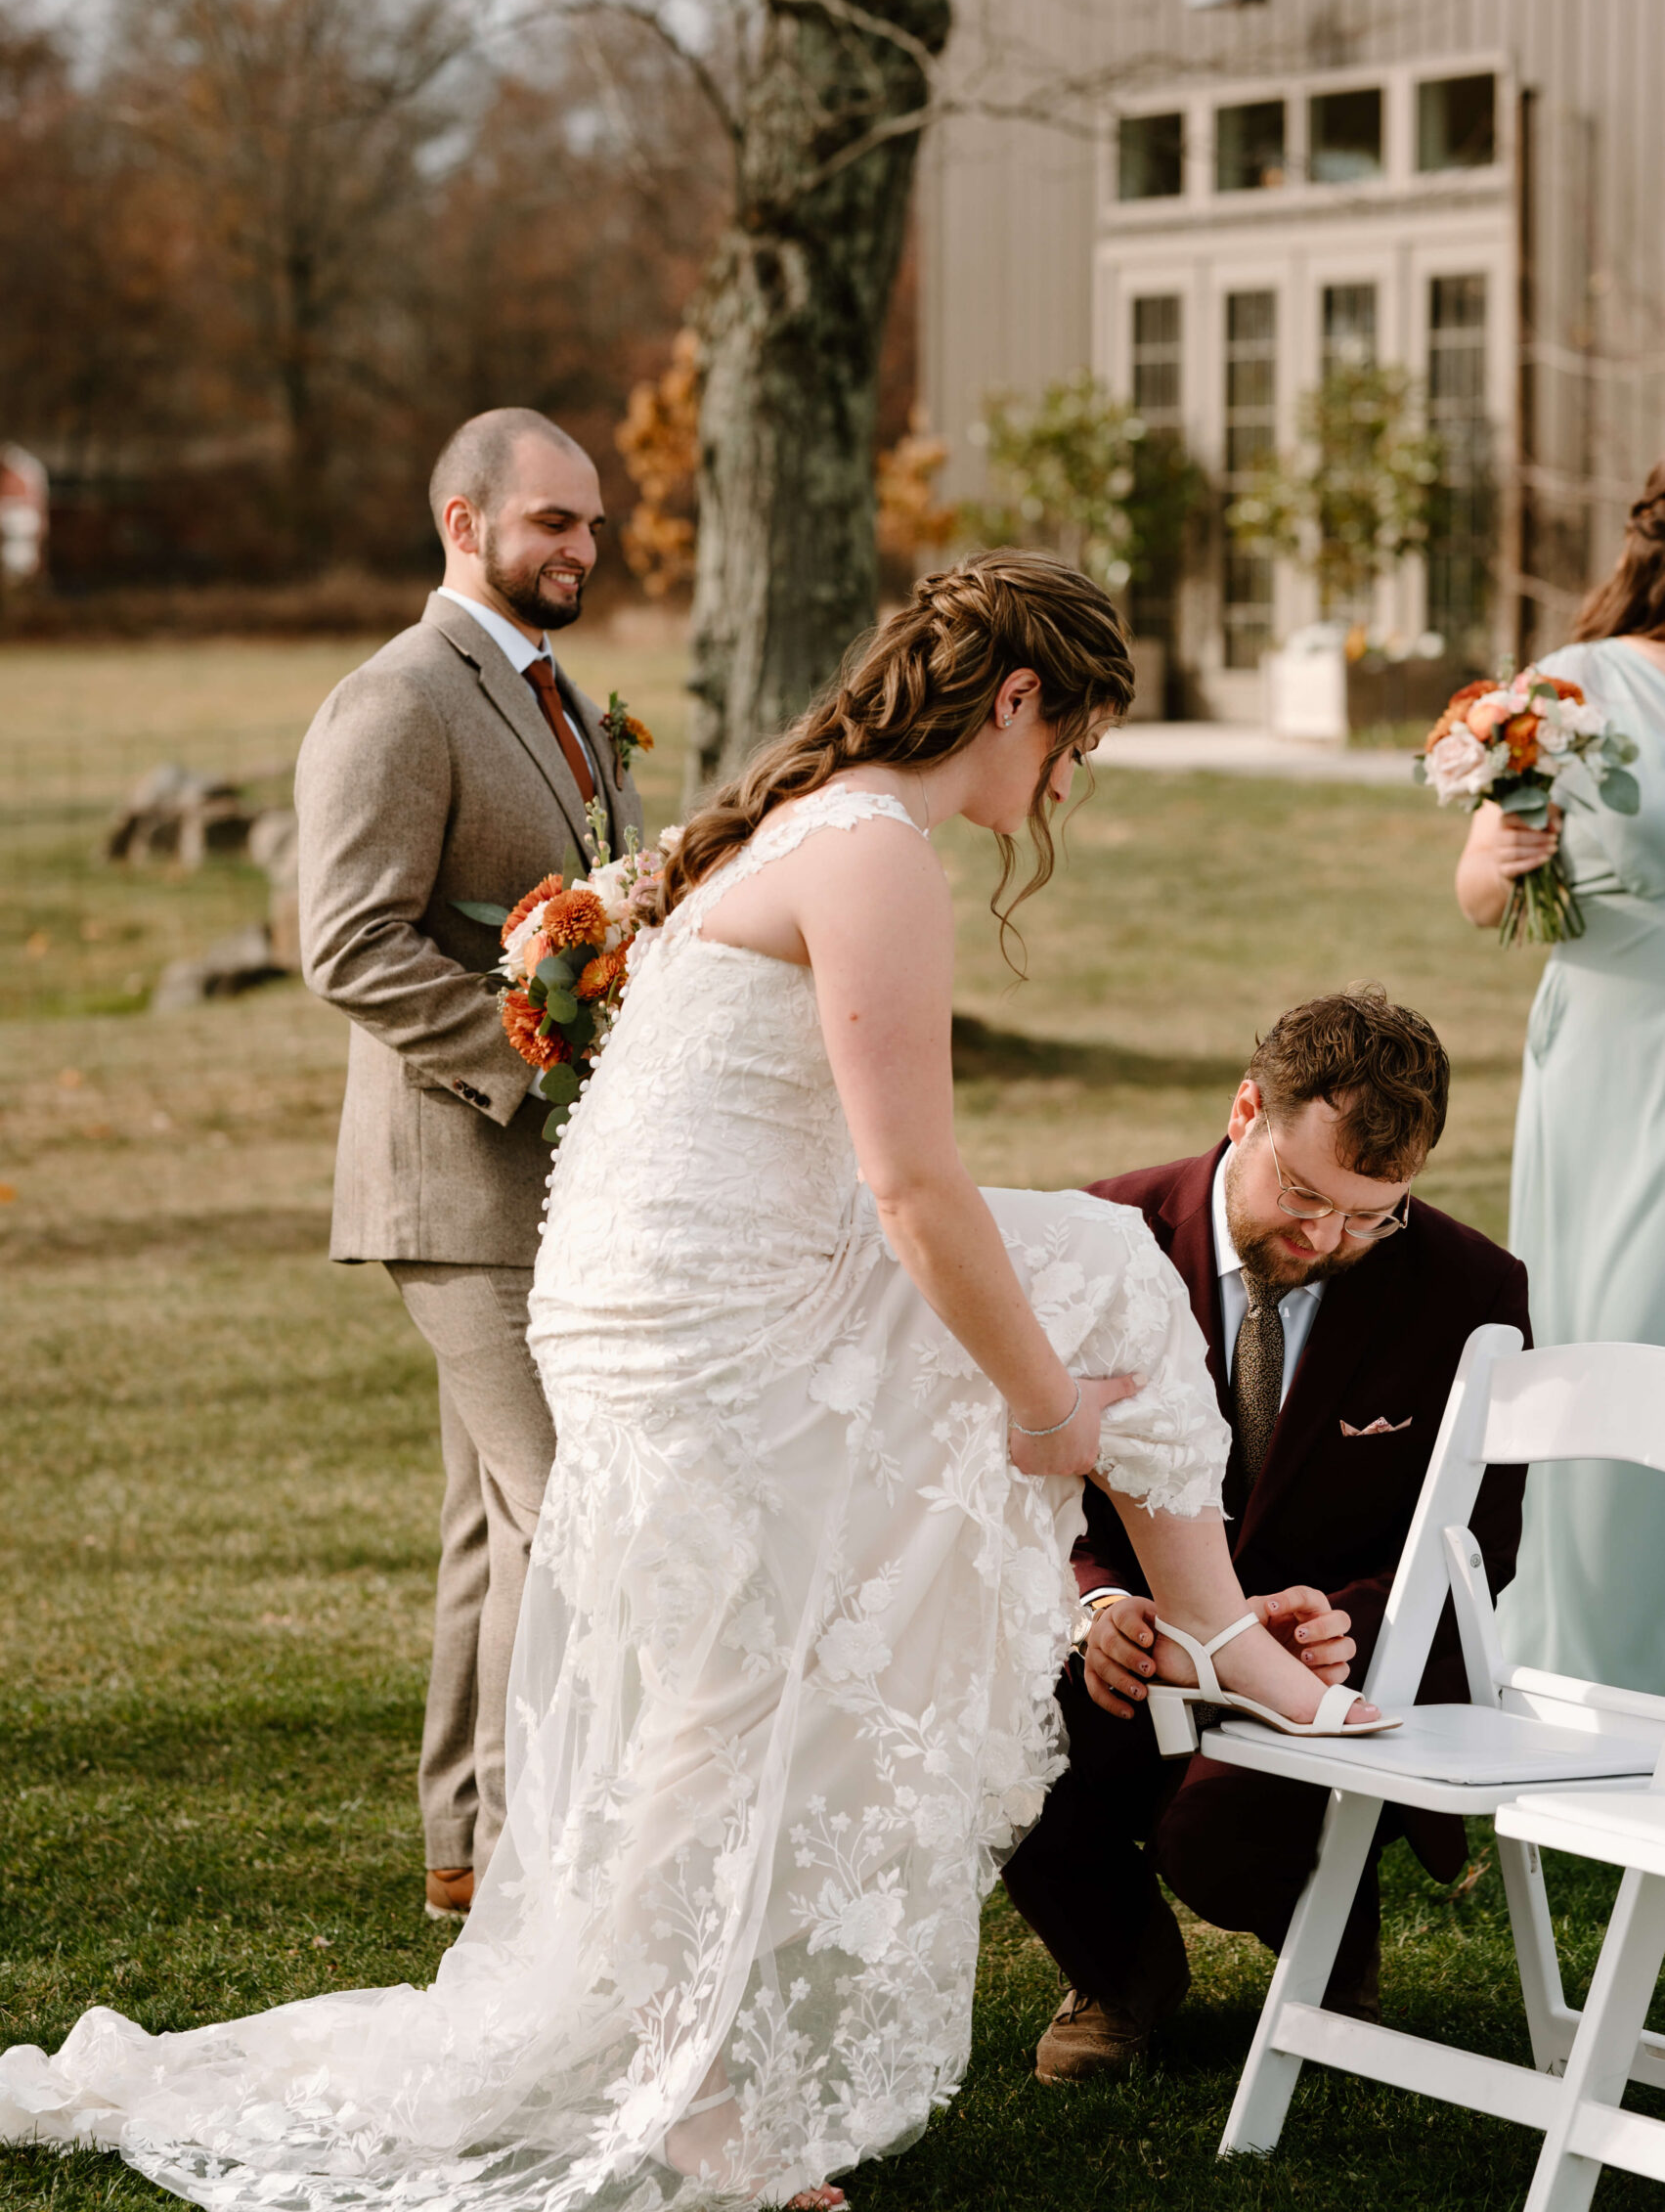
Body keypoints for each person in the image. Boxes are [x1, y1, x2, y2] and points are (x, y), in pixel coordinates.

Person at [3, 553, 1380, 2212]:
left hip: (656, 1297)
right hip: (717, 1319)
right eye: (1069, 747)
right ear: (1015, 700)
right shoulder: (873, 849)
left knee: (722, 1699)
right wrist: (1033, 1414)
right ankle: (1214, 1641)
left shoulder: (801, 818)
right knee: (1042, 1330)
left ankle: (700, 2089)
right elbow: (915, 1190)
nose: (1061, 785)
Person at [1003, 991, 1529, 2081]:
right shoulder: (1101, 1234)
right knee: (982, 1719)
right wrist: (1095, 1603)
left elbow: (1481, 1539)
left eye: (1368, 1213)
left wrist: (1341, 1627)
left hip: (1316, 1678)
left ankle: (1325, 1930)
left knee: (1218, 1839)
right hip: (1123, 1641)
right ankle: (1118, 1970)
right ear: (1245, 1110)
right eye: (1303, 1194)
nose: (1326, 1237)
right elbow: (1018, 1485)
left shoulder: (1471, 1288)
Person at [295, 407, 642, 1919]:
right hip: (457, 1176)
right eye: (549, 523)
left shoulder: (556, 693)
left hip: (557, 1184)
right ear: (463, 522)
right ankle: (523, 1875)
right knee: (565, 1514)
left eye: (591, 526)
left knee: (488, 1519)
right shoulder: (395, 702)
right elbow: (347, 945)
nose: (577, 548)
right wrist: (536, 1058)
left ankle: (458, 1847)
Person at [1457, 462, 1665, 1696]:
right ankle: (1604, 1679)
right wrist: (1510, 849)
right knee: (1629, 1334)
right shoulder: (1576, 689)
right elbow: (1484, 895)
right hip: (1623, 1056)